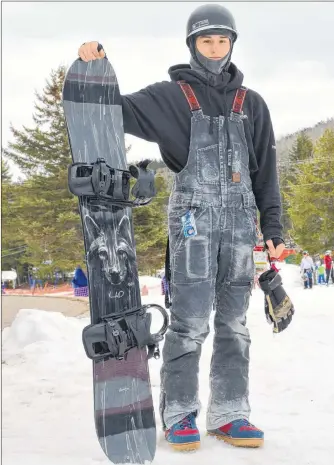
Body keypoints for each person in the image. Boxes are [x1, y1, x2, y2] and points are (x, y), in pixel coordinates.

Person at [78, 3, 285, 451]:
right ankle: (180, 413)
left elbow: (266, 172)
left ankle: (231, 413)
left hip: (239, 227)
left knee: (235, 324)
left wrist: (274, 228)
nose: (215, 48)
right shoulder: (170, 97)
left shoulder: (253, 105)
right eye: (206, 40)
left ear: (232, 44)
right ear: (192, 45)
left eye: (222, 40)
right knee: (189, 323)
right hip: (194, 225)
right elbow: (111, 108)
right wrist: (95, 67)